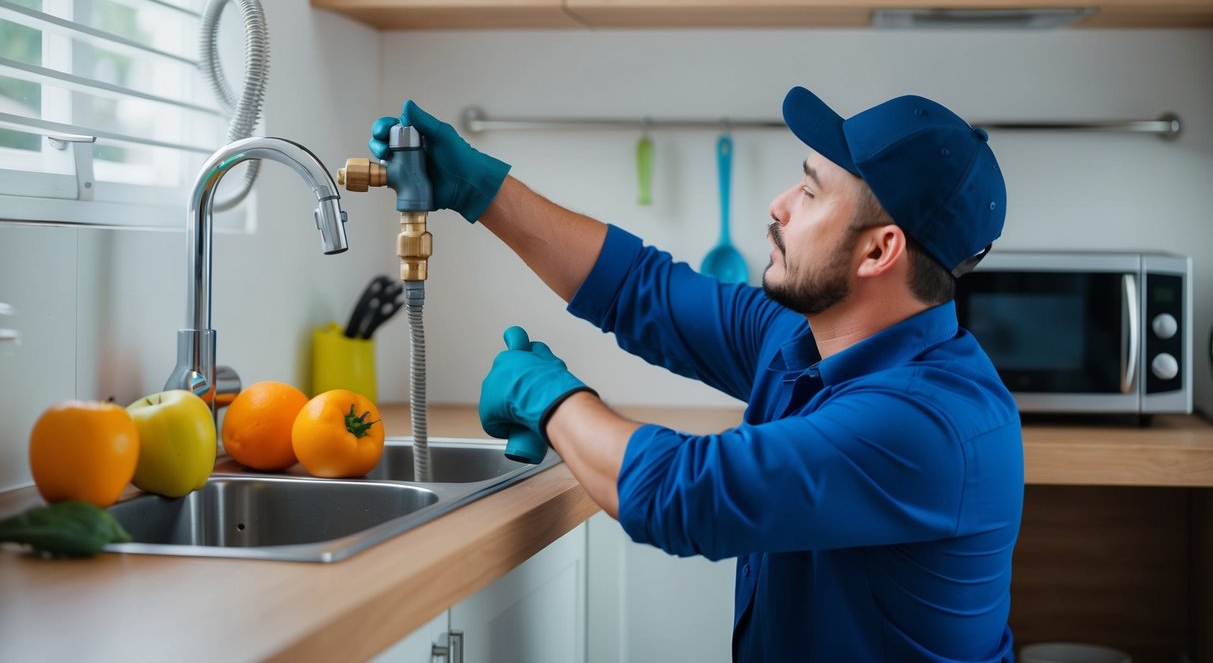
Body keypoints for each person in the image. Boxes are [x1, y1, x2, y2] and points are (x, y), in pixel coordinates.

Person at [370, 86, 1024, 662]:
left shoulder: (923, 423)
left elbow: (680, 494)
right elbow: (637, 289)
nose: (778, 205)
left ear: (879, 250)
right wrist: (480, 190)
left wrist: (547, 397)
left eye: (808, 191)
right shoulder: (806, 336)